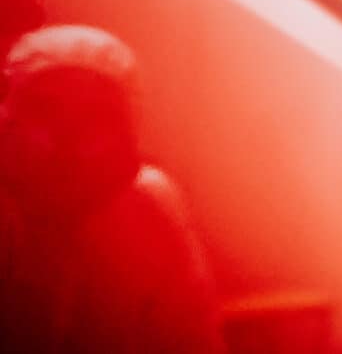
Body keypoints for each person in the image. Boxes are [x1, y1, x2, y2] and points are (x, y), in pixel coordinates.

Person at [0, 25, 224, 353]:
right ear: (11, 116)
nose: (69, 138)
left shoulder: (150, 204)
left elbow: (191, 334)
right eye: (48, 109)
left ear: (127, 126)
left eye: (94, 115)